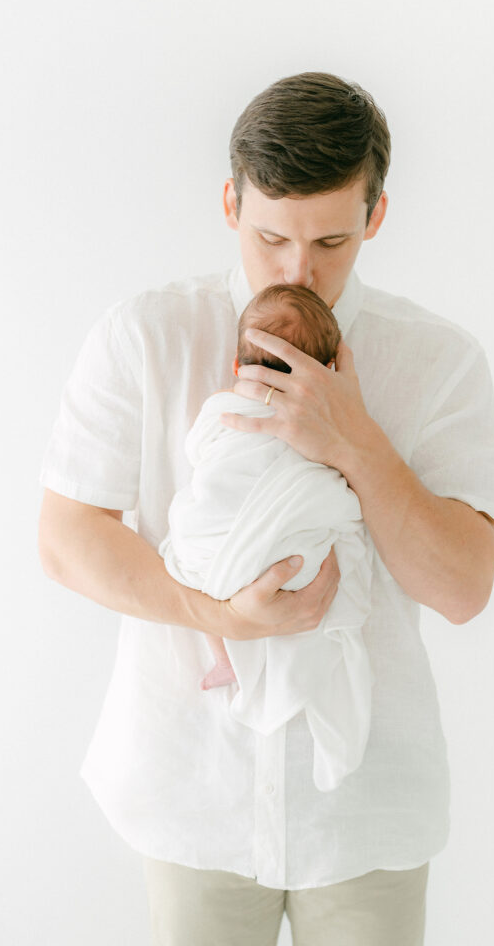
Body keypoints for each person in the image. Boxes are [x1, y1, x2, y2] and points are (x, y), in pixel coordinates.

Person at [38, 71, 494, 946]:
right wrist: (217, 614)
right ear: (229, 202)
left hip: (366, 806)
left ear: (375, 215)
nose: (302, 271)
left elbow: (462, 588)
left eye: (332, 239)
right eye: (270, 238)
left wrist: (354, 440)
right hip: (191, 793)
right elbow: (66, 540)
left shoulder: (438, 362)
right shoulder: (145, 337)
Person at [158, 282, 375, 793]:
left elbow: (197, 449)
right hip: (287, 535)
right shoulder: (329, 417)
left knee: (187, 564)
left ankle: (223, 656)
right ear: (328, 371)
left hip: (212, 544)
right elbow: (330, 468)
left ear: (238, 367)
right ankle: (281, 669)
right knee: (327, 526)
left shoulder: (225, 403)